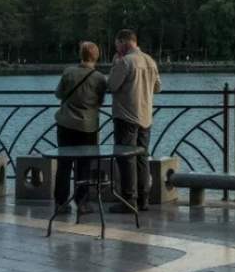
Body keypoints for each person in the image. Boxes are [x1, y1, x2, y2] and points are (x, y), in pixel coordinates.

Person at [108, 29, 160, 212]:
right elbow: (158, 87)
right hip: (146, 116)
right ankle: (143, 198)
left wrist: (115, 63)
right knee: (142, 158)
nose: (116, 47)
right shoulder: (150, 60)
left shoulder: (125, 61)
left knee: (126, 158)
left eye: (117, 44)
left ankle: (129, 200)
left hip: (126, 117)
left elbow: (112, 86)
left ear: (123, 42)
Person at [52, 41, 107, 215]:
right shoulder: (100, 78)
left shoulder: (68, 72)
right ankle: (82, 203)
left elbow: (58, 94)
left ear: (80, 55)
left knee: (64, 164)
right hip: (88, 126)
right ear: (96, 57)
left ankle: (61, 202)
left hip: (65, 123)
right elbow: (100, 101)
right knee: (84, 164)